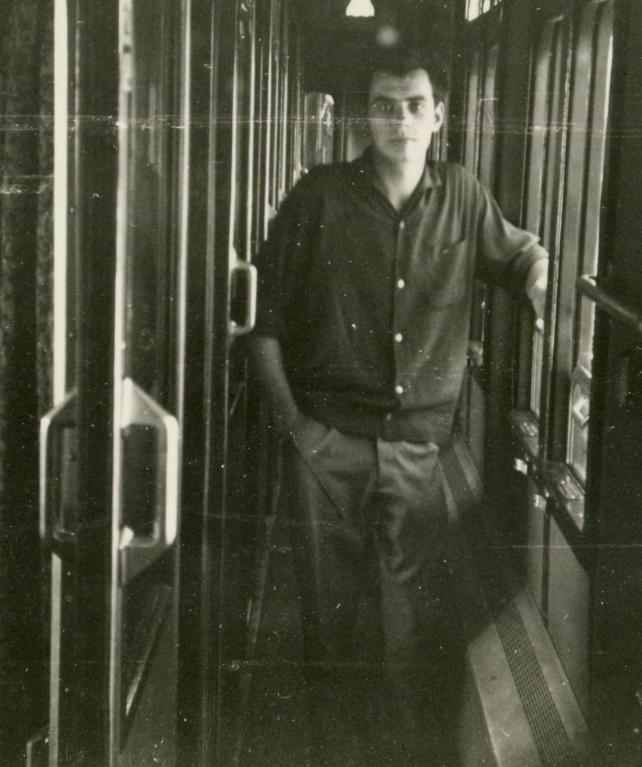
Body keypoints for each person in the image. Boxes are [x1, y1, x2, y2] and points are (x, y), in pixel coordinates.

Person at [250, 47, 548, 767]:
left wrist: (543, 285)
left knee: (412, 630)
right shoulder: (317, 198)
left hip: (419, 451)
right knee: (331, 623)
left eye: (415, 105)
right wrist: (295, 427)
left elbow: (522, 257)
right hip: (327, 444)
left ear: (439, 116)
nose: (401, 120)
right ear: (364, 115)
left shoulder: (466, 198)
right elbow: (261, 323)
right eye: (386, 104)